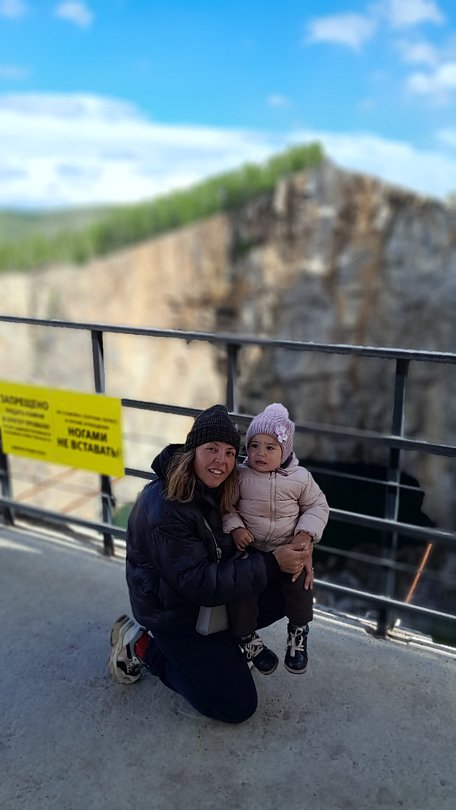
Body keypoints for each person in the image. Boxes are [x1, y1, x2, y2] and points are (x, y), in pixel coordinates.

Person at [108, 404, 312, 724]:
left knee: (288, 591)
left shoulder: (218, 486)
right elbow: (200, 583)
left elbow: (262, 530)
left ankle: (228, 648)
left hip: (208, 603)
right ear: (193, 450)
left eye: (230, 452)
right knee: (237, 706)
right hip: (176, 615)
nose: (222, 461)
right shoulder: (166, 509)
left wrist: (302, 545)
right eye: (212, 449)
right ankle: (142, 645)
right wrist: (273, 563)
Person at [223, 403, 329, 675]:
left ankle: (298, 631)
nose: (260, 453)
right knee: (242, 591)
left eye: (270, 447)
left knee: (300, 582)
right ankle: (247, 638)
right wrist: (236, 528)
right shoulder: (241, 476)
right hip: (252, 549)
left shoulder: (300, 477)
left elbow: (317, 506)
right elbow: (226, 506)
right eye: (254, 446)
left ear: (285, 451)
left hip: (287, 547)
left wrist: (305, 533)